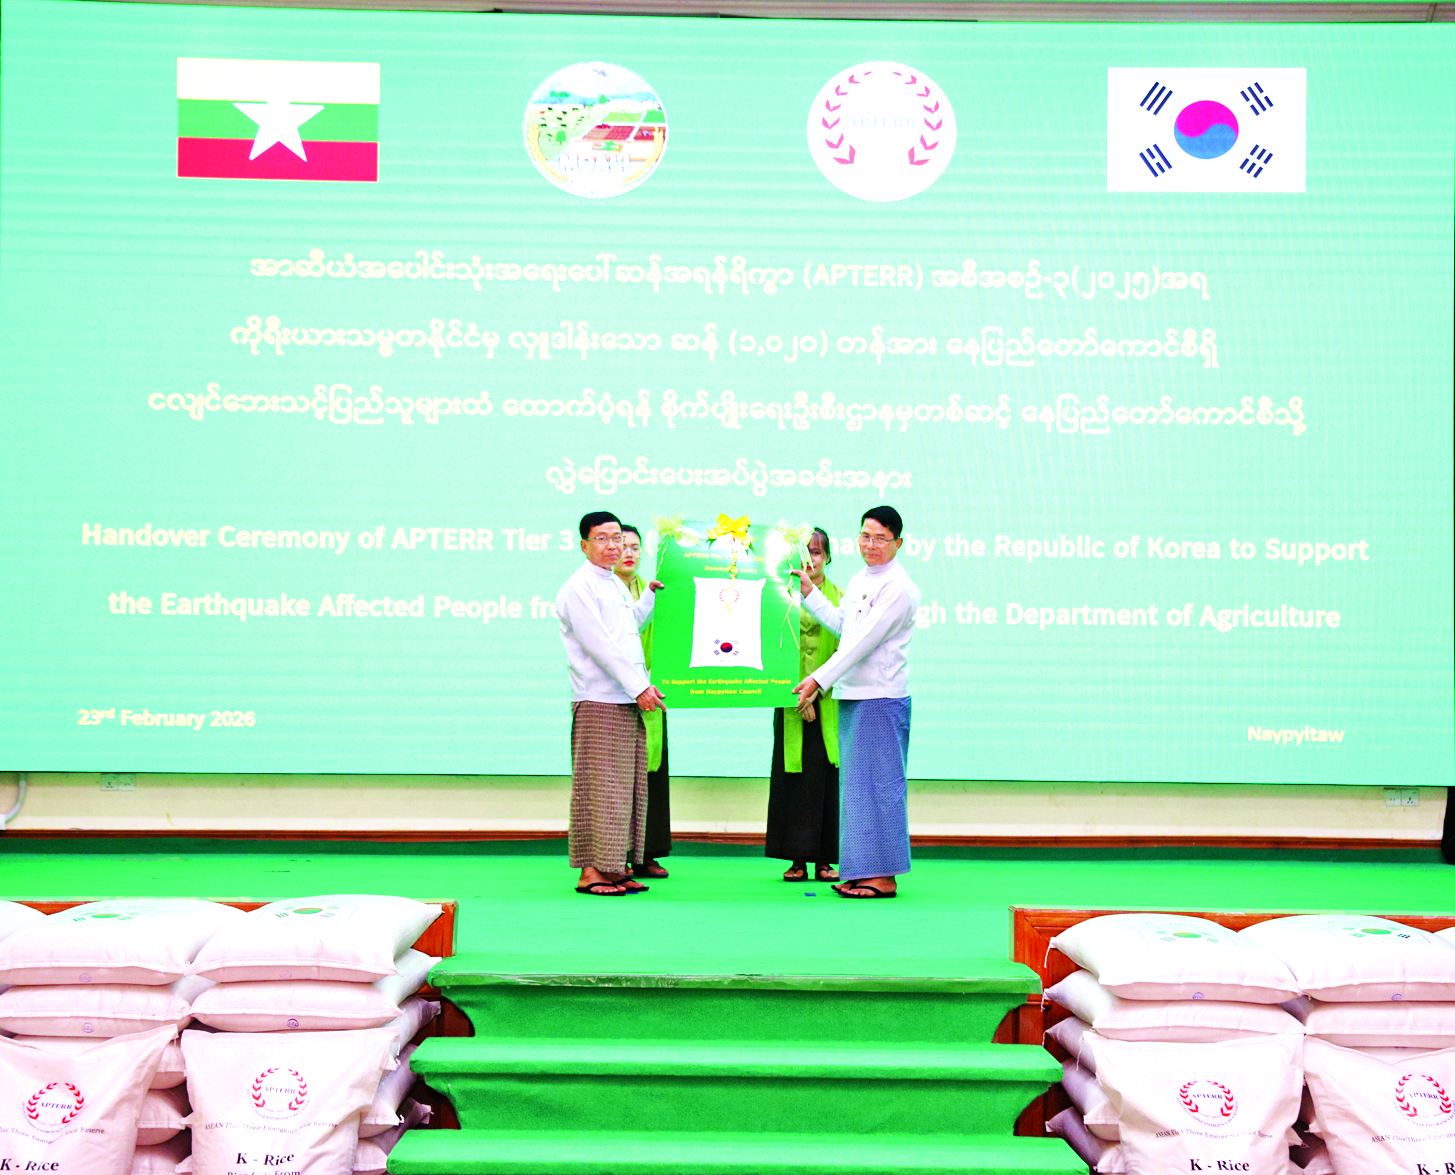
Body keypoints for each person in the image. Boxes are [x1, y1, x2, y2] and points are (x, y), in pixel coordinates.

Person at [791, 506, 919, 899]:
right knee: (858, 789)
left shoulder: (899, 587)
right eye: (866, 536)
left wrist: (818, 679)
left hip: (881, 698)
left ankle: (883, 877)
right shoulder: (860, 579)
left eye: (881, 538)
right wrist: (809, 593)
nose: (871, 545)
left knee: (881, 787)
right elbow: (845, 628)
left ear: (898, 542)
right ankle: (862, 870)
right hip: (854, 696)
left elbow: (864, 643)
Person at [555, 511, 665, 896]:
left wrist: (650, 596)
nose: (613, 546)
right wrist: (640, 687)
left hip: (623, 699)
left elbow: (627, 628)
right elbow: (600, 645)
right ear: (584, 545)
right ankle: (590, 872)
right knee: (598, 788)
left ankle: (614, 867)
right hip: (598, 699)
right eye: (602, 539)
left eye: (617, 537)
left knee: (624, 790)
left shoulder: (614, 583)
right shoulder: (578, 587)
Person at [766, 527, 841, 883]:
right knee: (793, 780)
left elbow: (848, 651)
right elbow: (771, 649)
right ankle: (797, 859)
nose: (810, 559)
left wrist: (816, 690)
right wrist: (796, 695)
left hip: (829, 701)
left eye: (816, 551)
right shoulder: (777, 596)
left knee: (826, 781)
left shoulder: (843, 598)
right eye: (804, 552)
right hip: (790, 701)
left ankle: (824, 860)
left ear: (828, 557)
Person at [615, 524, 670, 878]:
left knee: (652, 777)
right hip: (617, 694)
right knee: (620, 779)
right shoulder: (604, 590)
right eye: (623, 546)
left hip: (653, 692)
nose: (629, 553)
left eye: (636, 547)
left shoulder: (656, 589)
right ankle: (617, 854)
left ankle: (647, 854)